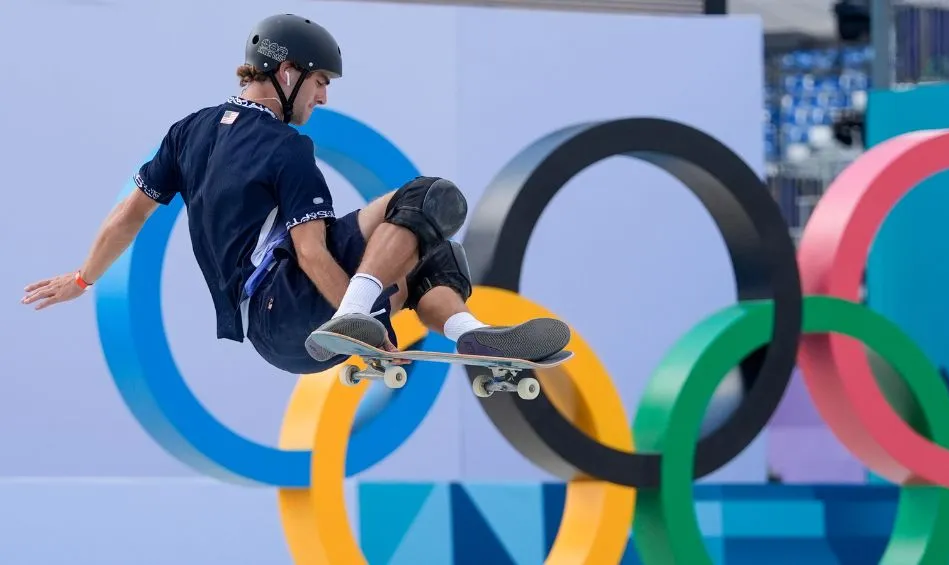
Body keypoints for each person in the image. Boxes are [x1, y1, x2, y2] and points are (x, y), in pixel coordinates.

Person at [20, 13, 571, 375]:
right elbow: (310, 252)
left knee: (431, 248)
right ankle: (358, 316)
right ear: (287, 73)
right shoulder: (287, 148)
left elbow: (127, 215)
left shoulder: (187, 131)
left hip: (271, 335)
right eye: (320, 82)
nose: (323, 99)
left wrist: (81, 279)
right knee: (430, 198)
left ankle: (469, 334)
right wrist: (368, 328)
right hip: (295, 306)